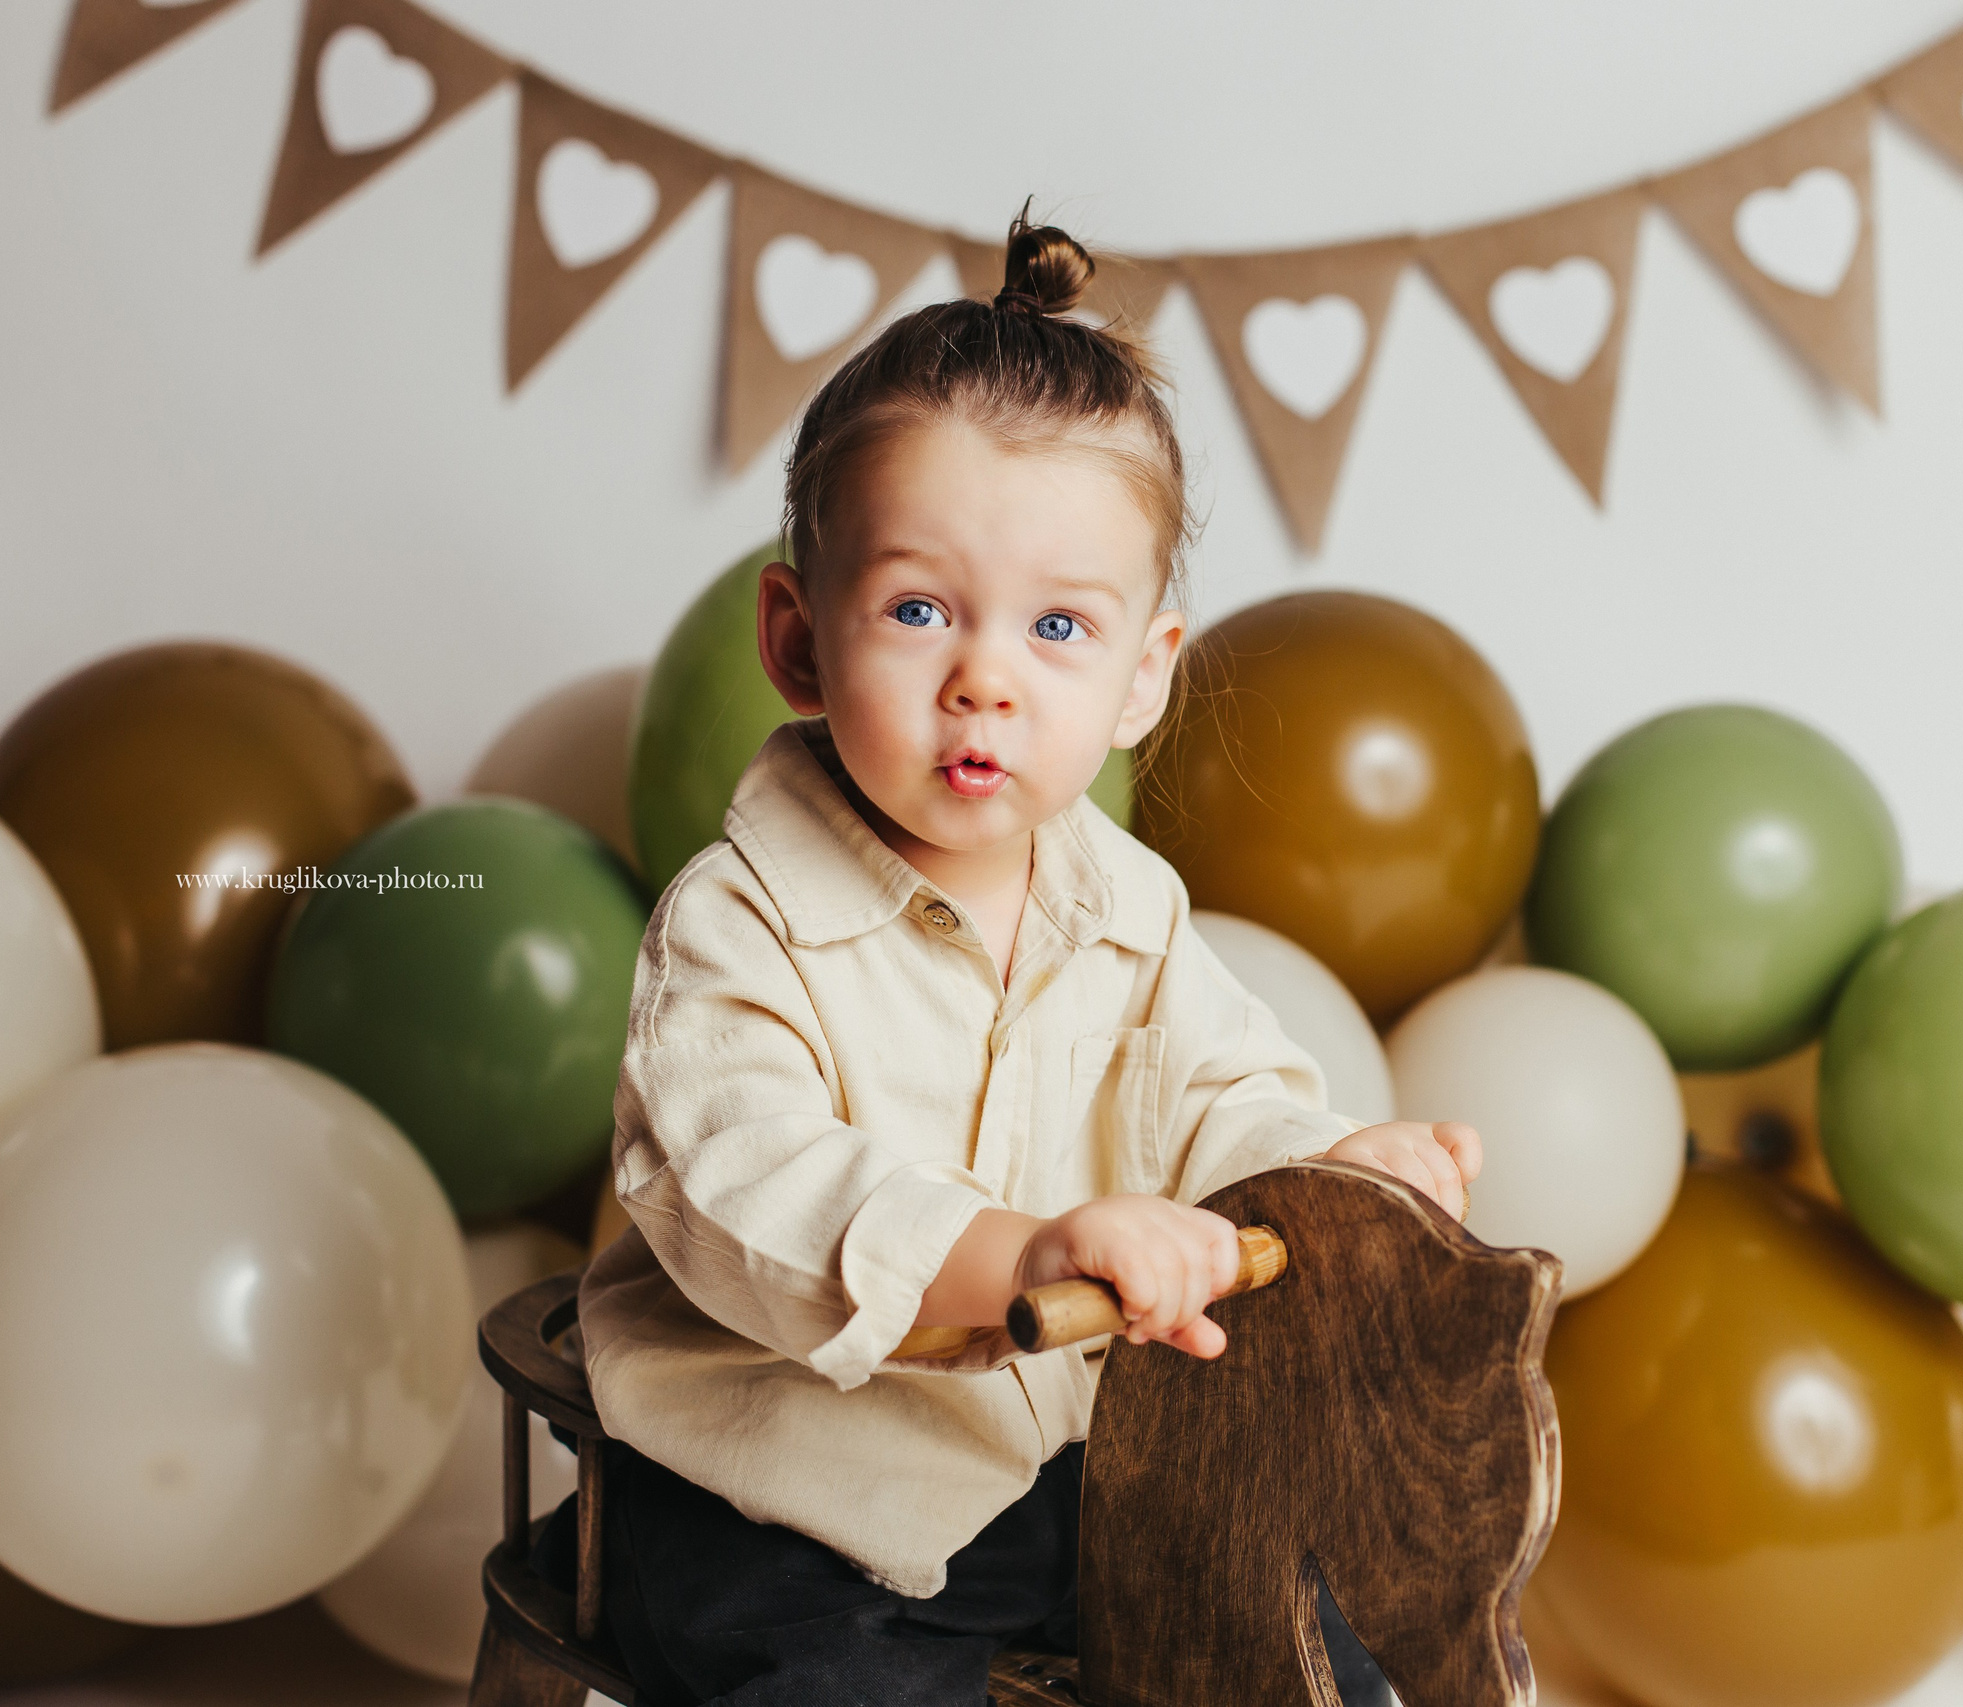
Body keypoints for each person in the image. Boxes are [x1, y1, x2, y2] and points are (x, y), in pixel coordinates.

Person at [560, 212, 1482, 1705]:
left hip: (1045, 1468)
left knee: (1306, 1633)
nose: (984, 676)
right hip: (776, 1503)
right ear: (798, 641)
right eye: (918, 610)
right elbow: (750, 1179)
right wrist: (1020, 1257)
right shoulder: (739, 923)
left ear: (1143, 678)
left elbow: (1223, 1095)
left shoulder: (1127, 906)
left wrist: (1330, 1166)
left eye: (1060, 626)